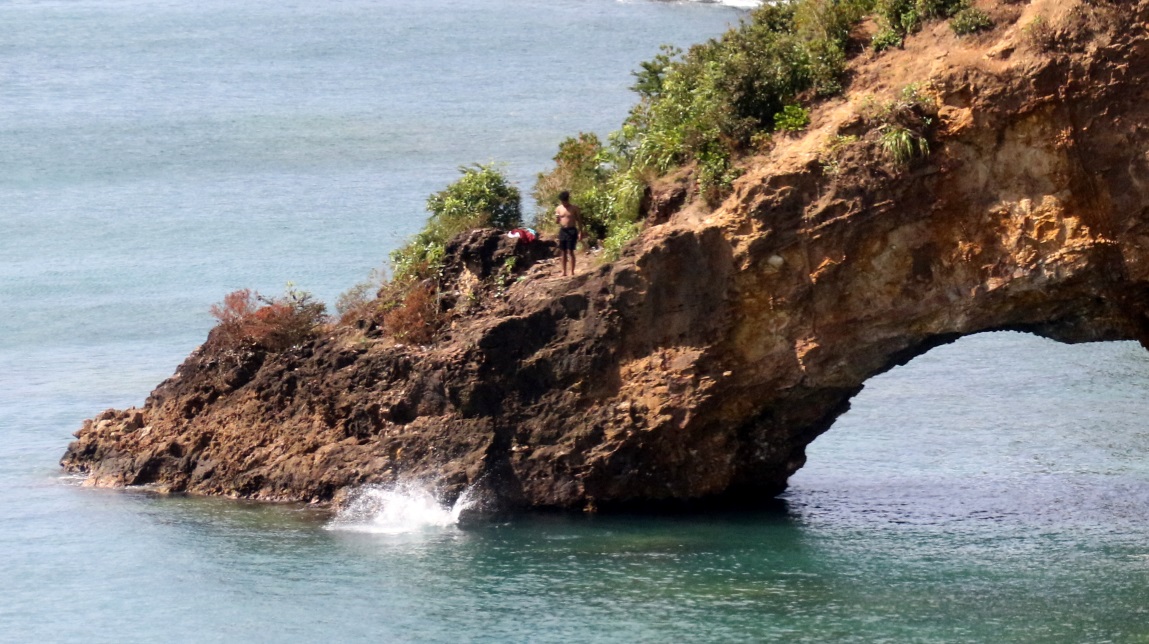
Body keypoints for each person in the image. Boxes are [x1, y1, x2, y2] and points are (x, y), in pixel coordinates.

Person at [555, 191, 582, 277]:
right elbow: (557, 222)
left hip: (572, 230)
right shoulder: (559, 208)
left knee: (570, 251)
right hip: (563, 230)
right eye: (562, 201)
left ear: (567, 200)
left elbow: (579, 221)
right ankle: (564, 271)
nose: (563, 203)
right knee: (563, 251)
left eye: (565, 201)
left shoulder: (574, 208)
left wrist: (580, 232)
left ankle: (572, 271)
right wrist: (557, 219)